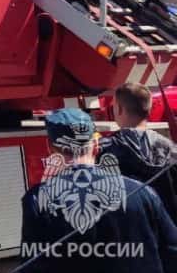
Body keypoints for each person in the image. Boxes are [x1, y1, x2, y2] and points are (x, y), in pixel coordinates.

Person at [20, 108, 177, 272]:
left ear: (50, 148)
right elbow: (172, 252)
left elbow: (32, 266)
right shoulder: (143, 192)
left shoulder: (37, 200)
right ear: (95, 146)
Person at [101, 82, 177, 219]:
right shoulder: (171, 150)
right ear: (149, 109)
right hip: (167, 230)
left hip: (130, 232)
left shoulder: (106, 150)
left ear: (118, 109)